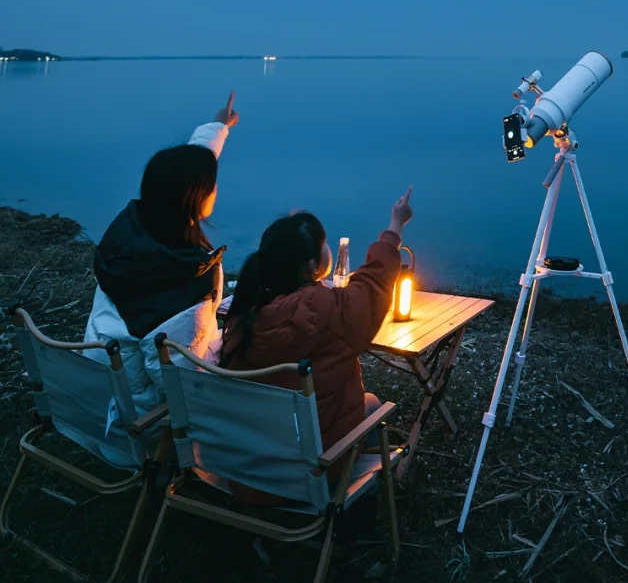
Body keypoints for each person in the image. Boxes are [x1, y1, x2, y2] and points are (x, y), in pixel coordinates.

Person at [219, 189, 413, 480]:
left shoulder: (242, 313)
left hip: (247, 465)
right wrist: (394, 228)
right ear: (312, 266)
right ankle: (357, 504)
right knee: (372, 406)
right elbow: (372, 287)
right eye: (322, 244)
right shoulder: (324, 309)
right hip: (306, 472)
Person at [83, 93, 240, 414]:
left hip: (93, 400)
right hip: (140, 426)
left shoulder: (128, 237)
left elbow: (181, 173)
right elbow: (183, 387)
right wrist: (230, 344)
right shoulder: (185, 289)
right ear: (197, 200)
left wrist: (218, 126)